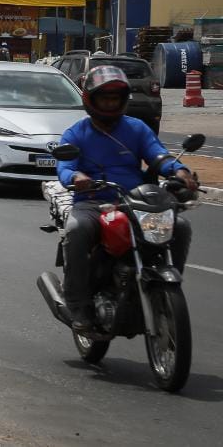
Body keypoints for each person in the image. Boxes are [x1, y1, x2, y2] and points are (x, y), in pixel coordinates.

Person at [57, 65, 198, 332]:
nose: (110, 103)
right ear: (91, 100)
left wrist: (179, 171)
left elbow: (158, 155)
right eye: (104, 98)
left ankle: (169, 284)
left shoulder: (137, 128)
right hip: (93, 202)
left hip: (135, 201)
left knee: (179, 226)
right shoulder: (76, 133)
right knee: (77, 230)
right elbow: (65, 167)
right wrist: (76, 178)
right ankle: (78, 304)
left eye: (115, 98)